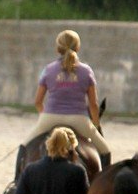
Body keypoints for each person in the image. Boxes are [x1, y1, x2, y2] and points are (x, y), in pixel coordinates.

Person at [22, 29, 111, 168]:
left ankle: (16, 184)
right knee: (105, 150)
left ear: (58, 49)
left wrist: (45, 115)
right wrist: (96, 124)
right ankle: (105, 186)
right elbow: (93, 105)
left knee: (24, 146)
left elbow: (38, 102)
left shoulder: (48, 69)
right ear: (78, 47)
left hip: (50, 118)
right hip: (79, 119)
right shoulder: (86, 71)